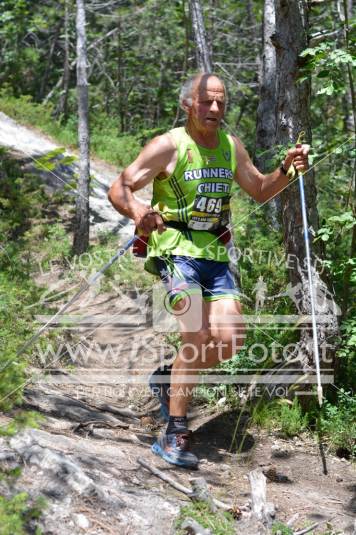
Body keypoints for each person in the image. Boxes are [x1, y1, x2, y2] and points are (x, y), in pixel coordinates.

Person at [108, 73, 309, 469]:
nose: (215, 109)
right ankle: (176, 432)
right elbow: (120, 187)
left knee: (231, 340)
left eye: (220, 103)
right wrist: (138, 211)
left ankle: (169, 380)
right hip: (172, 249)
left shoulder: (231, 146)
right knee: (197, 334)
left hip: (214, 252)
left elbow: (260, 189)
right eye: (206, 102)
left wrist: (287, 169)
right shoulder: (169, 145)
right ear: (188, 105)